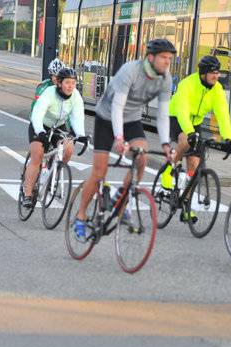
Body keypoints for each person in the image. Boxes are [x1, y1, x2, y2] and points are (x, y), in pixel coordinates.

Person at [73, 38, 176, 241]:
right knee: (99, 173)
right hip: (107, 117)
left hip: (131, 120)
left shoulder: (165, 79)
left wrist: (165, 144)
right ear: (150, 57)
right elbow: (117, 107)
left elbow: (163, 114)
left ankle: (120, 196)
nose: (167, 62)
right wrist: (119, 138)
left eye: (170, 58)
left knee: (142, 159)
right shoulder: (130, 71)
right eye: (163, 57)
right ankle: (81, 216)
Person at [161, 55, 231, 198]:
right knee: (185, 141)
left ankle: (186, 207)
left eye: (217, 72)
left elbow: (223, 115)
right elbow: (182, 111)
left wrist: (228, 138)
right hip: (175, 117)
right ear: (203, 74)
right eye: (212, 73)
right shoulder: (187, 84)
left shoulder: (217, 90)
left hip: (195, 123)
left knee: (194, 168)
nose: (216, 76)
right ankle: (167, 172)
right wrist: (189, 133)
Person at [21, 67, 87, 207]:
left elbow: (77, 118)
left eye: (73, 83)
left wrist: (80, 135)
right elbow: (37, 114)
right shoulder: (49, 93)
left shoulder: (76, 97)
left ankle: (53, 173)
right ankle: (27, 195)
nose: (71, 86)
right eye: (67, 82)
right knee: (37, 155)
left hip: (59, 126)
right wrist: (40, 131)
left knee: (68, 148)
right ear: (59, 83)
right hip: (41, 124)